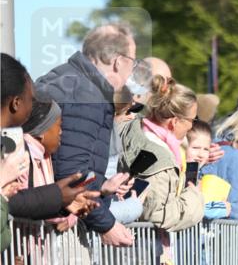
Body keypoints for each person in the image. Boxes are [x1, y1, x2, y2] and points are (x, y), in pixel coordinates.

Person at [36, 24, 137, 248]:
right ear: (119, 62)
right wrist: (106, 224)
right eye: (133, 62)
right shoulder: (86, 94)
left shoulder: (65, 78)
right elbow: (72, 174)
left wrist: (102, 188)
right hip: (58, 230)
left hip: (51, 217)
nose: (132, 72)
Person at [1, 54, 95, 222]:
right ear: (16, 103)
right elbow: (10, 203)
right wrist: (56, 196)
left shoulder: (7, 143)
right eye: (31, 99)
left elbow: (13, 203)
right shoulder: (17, 149)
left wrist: (60, 203)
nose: (34, 106)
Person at [119, 80, 204, 231]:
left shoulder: (131, 129)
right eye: (192, 120)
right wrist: (195, 197)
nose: (192, 126)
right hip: (141, 247)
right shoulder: (160, 159)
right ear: (175, 121)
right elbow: (159, 217)